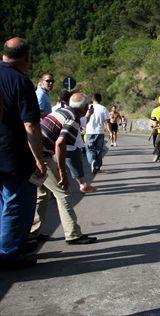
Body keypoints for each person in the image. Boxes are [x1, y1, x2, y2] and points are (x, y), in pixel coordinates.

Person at [0, 37, 47, 269]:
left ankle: (8, 246)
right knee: (16, 203)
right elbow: (31, 125)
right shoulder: (20, 81)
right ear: (27, 58)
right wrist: (39, 159)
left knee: (3, 202)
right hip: (12, 154)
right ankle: (9, 254)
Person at [31, 92, 97, 245]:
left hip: (31, 153)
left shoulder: (61, 111)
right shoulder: (73, 119)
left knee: (42, 194)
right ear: (84, 108)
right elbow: (60, 144)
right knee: (63, 193)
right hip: (42, 157)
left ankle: (32, 233)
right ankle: (73, 234)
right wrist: (62, 172)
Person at [85, 93, 110, 174]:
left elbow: (83, 118)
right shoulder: (103, 108)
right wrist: (110, 132)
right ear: (100, 100)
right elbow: (107, 121)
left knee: (90, 149)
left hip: (89, 131)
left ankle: (92, 161)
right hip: (100, 132)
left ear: (92, 99)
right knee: (99, 150)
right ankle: (97, 166)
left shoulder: (88, 107)